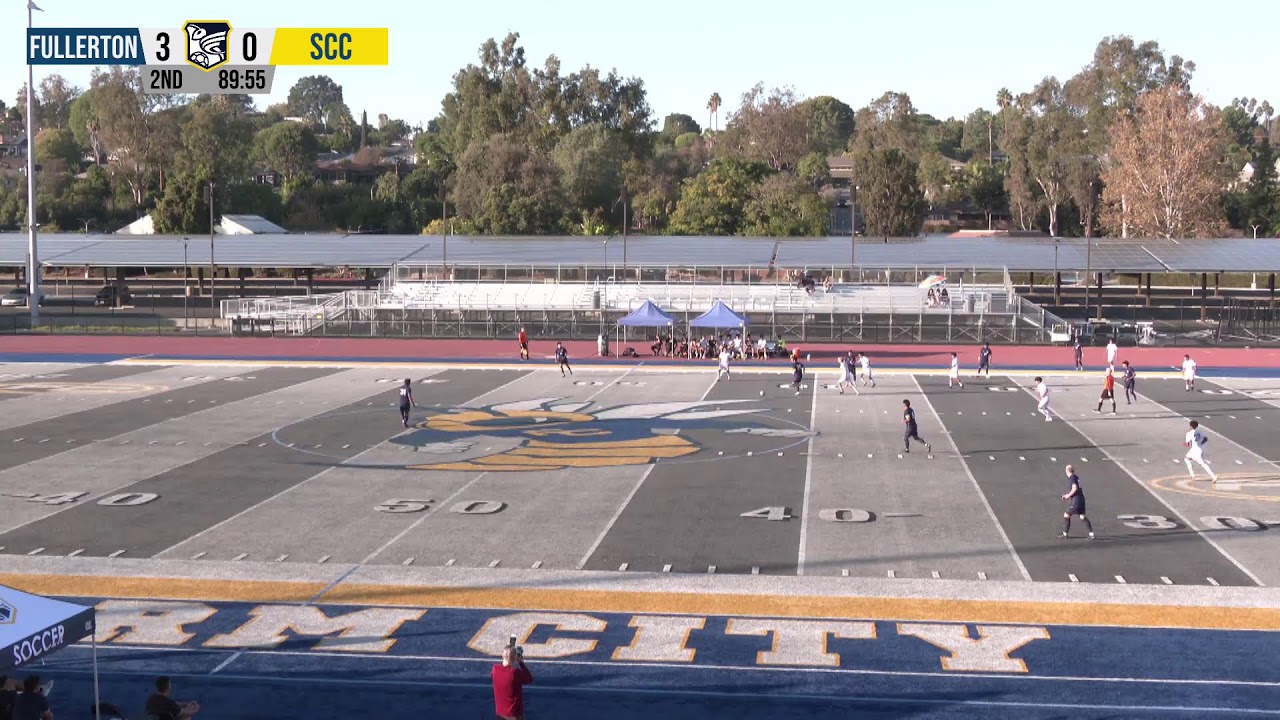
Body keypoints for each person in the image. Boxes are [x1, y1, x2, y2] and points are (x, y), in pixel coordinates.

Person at [492, 644, 533, 720]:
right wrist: (520, 662)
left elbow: (503, 667)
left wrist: (509, 651)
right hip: (514, 715)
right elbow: (529, 678)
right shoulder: (515, 673)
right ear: (514, 659)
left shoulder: (495, 670)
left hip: (500, 714)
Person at [1060, 465, 1095, 540]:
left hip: (1076, 501)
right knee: (1082, 517)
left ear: (1067, 471)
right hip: (1081, 499)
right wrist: (1068, 495)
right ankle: (1091, 534)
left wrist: (1067, 496)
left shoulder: (1071, 478)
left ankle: (1065, 533)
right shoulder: (1075, 477)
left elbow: (1075, 488)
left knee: (1066, 515)